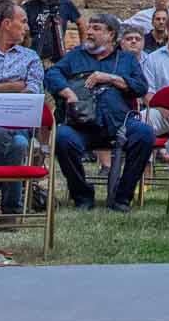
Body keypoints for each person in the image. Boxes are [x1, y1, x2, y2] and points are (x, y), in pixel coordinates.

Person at [44, 13, 151, 212]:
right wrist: (67, 92)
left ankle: (122, 196)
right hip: (82, 124)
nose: (89, 32)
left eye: (96, 28)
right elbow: (52, 74)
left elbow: (141, 87)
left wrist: (111, 78)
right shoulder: (76, 56)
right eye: (90, 27)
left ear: (111, 35)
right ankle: (82, 196)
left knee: (144, 134)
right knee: (62, 138)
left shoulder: (126, 59)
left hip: (119, 124)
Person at [0, 0, 47, 214]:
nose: (27, 27)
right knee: (18, 145)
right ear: (6, 23)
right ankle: (11, 211)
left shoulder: (30, 57)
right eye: (23, 22)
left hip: (19, 122)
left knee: (11, 135)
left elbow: (33, 91)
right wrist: (12, 87)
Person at [23, 0, 82, 64]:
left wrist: (83, 49)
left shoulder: (65, 3)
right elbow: (13, 14)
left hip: (57, 60)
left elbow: (81, 23)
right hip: (35, 57)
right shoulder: (31, 5)